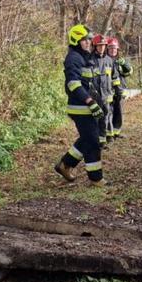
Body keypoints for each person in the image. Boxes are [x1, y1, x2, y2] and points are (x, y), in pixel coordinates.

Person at [55, 24, 105, 185]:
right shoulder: (74, 58)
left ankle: (65, 164)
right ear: (76, 40)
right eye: (84, 40)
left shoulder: (84, 56)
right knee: (92, 142)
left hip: (87, 107)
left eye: (89, 40)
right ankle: (96, 179)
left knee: (86, 139)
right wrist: (90, 101)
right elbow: (73, 84)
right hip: (81, 108)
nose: (88, 43)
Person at [107, 36, 133, 138]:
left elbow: (129, 72)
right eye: (110, 48)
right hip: (108, 91)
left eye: (114, 48)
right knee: (109, 112)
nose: (113, 50)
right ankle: (109, 133)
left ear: (117, 50)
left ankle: (117, 132)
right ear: (107, 49)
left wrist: (124, 64)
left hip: (120, 91)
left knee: (119, 112)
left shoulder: (120, 61)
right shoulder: (104, 60)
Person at [91, 34, 114, 147]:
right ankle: (94, 140)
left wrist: (115, 93)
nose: (102, 48)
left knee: (105, 118)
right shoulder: (90, 60)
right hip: (94, 96)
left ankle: (102, 140)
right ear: (95, 46)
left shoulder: (109, 61)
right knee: (94, 119)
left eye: (104, 46)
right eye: (99, 46)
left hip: (106, 96)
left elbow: (114, 78)